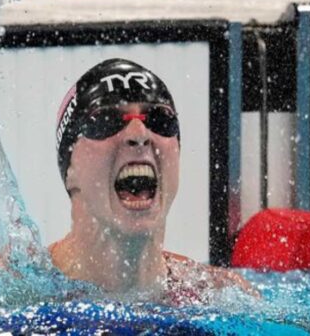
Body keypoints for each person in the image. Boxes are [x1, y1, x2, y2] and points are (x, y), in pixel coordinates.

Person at [48, 58, 258, 306]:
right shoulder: (16, 288)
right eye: (106, 121)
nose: (139, 135)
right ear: (70, 168)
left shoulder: (221, 295)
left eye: (160, 120)